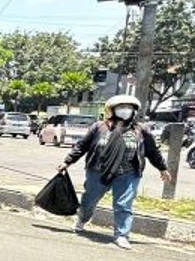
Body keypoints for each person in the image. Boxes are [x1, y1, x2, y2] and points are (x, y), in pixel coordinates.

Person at [58, 94, 171, 250]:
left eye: (129, 108)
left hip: (128, 173)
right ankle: (81, 220)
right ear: (112, 110)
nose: (125, 111)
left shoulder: (141, 130)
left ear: (134, 111)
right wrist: (67, 162)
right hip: (98, 171)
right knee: (89, 200)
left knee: (124, 205)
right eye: (121, 108)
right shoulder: (99, 127)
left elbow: (153, 151)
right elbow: (82, 146)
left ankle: (122, 235)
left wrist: (162, 168)